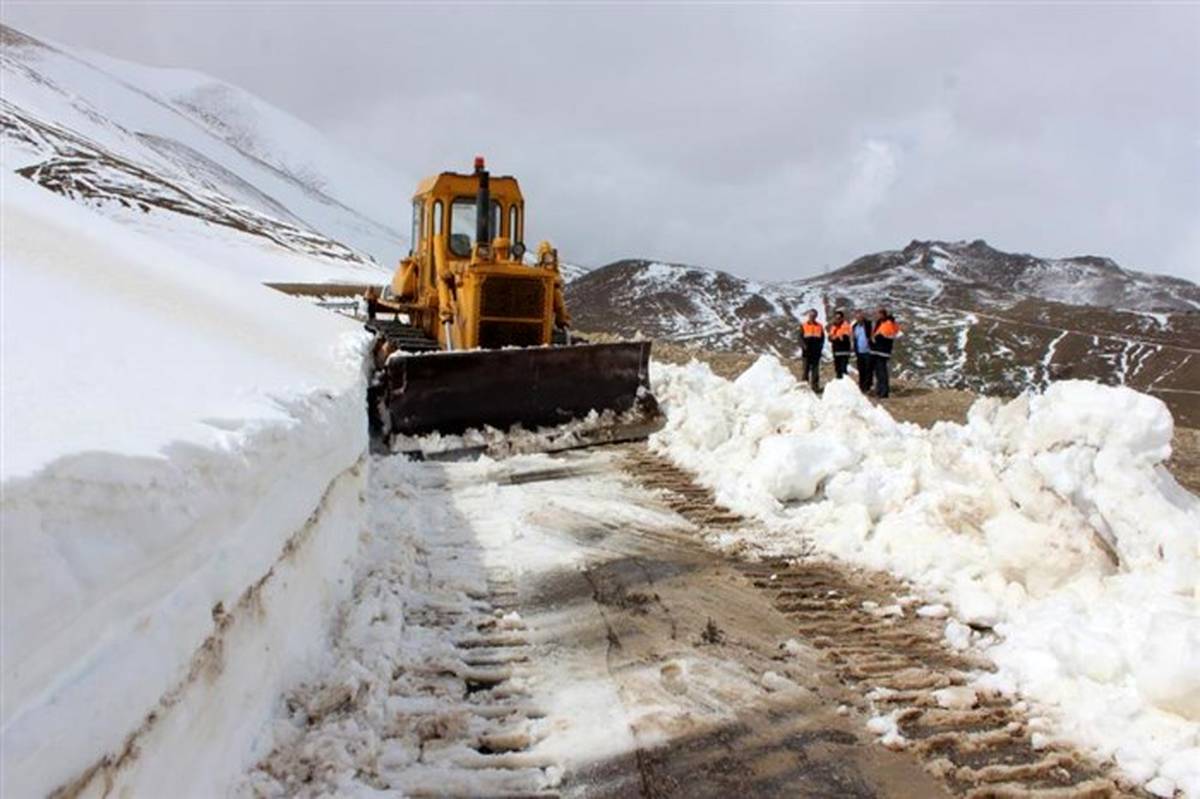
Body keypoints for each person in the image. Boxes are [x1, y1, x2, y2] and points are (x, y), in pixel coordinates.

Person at [870, 307, 900, 398]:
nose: (877, 316)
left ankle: (884, 392)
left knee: (882, 372)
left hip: (883, 351)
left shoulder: (888, 323)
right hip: (877, 351)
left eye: (879, 314)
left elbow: (889, 336)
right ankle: (879, 390)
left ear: (883, 314)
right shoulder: (879, 323)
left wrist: (879, 337)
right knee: (878, 372)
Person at [800, 309, 825, 391]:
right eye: (811, 315)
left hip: (816, 352)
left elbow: (822, 338)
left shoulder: (819, 326)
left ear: (816, 316)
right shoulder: (803, 325)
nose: (812, 317)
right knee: (805, 370)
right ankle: (804, 387)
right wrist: (803, 346)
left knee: (815, 371)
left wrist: (820, 348)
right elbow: (800, 338)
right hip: (806, 352)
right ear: (808, 316)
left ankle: (815, 387)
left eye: (814, 316)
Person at [826, 310, 852, 379]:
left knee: (844, 369)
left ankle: (845, 384)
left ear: (842, 318)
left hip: (844, 351)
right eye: (836, 317)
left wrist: (835, 338)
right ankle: (839, 385)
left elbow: (844, 338)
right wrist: (836, 338)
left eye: (839, 317)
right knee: (837, 370)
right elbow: (830, 338)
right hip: (836, 351)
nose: (837, 319)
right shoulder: (833, 326)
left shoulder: (846, 325)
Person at [851, 310, 873, 393]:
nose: (858, 319)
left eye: (860, 317)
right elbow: (854, 338)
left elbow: (871, 335)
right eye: (857, 317)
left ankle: (867, 386)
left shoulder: (868, 325)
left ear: (863, 317)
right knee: (861, 369)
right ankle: (861, 385)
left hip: (868, 351)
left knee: (868, 369)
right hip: (859, 351)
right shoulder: (855, 327)